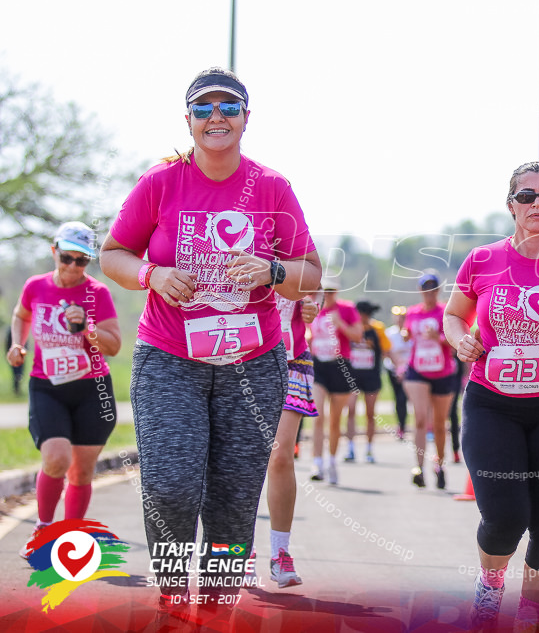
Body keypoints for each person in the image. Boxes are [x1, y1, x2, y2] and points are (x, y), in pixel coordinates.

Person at [100, 66, 321, 620]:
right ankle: (175, 598)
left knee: (234, 494)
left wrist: (271, 270)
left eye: (228, 107)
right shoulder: (161, 183)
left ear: (247, 118)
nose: (216, 117)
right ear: (189, 120)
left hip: (253, 362)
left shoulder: (271, 187)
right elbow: (112, 254)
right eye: (204, 108)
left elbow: (310, 273)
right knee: (172, 484)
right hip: (171, 356)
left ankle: (219, 607)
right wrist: (152, 274)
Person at [445, 162, 539, 630]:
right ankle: (490, 586)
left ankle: (529, 617)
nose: (537, 205)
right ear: (510, 205)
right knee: (506, 519)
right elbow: (453, 315)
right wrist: (459, 339)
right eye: (526, 196)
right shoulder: (483, 260)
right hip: (493, 405)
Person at [11, 222, 121, 558]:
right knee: (57, 459)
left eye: (81, 260)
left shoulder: (97, 294)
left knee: (82, 471)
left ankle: (69, 537)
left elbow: (114, 345)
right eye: (66, 257)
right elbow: (21, 315)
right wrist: (18, 344)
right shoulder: (35, 286)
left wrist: (87, 328)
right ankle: (44, 529)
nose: (72, 266)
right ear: (54, 251)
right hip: (48, 387)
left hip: (92, 390)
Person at [263, 291, 320, 587]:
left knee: (281, 455)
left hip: (290, 357)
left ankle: (280, 551)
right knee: (241, 458)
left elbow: (313, 285)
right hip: (237, 355)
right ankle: (237, 549)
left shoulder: (295, 244)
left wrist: (311, 304)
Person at [404, 269, 457, 489]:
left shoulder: (446, 311)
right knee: (419, 418)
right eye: (425, 289)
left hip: (442, 371)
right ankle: (419, 468)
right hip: (417, 370)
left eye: (433, 288)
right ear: (420, 290)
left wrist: (440, 338)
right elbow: (407, 335)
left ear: (438, 290)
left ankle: (440, 465)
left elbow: (455, 342)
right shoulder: (412, 313)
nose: (429, 293)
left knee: (439, 424)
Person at [308, 287, 362, 483]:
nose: (326, 295)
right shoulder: (311, 306)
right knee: (318, 415)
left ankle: (331, 461)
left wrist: (340, 324)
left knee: (334, 420)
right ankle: (317, 462)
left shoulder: (346, 309)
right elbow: (305, 333)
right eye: (323, 291)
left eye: (330, 292)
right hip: (318, 366)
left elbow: (358, 335)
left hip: (341, 366)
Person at [350, 300, 391, 463]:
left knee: (370, 413)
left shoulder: (377, 329)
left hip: (371, 376)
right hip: (352, 376)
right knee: (351, 410)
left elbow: (387, 349)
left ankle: (369, 448)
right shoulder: (351, 328)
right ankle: (351, 447)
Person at [384, 306, 412, 440]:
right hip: (393, 370)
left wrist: (405, 368)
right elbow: (387, 352)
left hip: (410, 370)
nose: (400, 320)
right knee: (399, 399)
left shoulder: (410, 332)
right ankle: (401, 426)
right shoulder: (389, 333)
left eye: (402, 317)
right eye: (398, 317)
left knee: (409, 399)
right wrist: (398, 369)